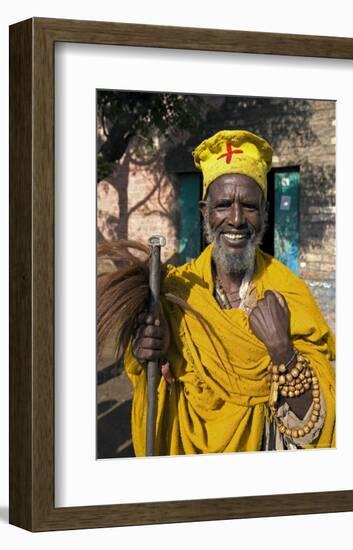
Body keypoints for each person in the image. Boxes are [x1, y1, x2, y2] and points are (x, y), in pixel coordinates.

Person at [124, 129, 335, 456]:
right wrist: (147, 351)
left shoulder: (289, 293)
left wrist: (283, 352)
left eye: (249, 206)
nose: (236, 219)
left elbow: (320, 428)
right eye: (224, 205)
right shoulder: (173, 293)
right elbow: (151, 387)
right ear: (205, 211)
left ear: (264, 213)